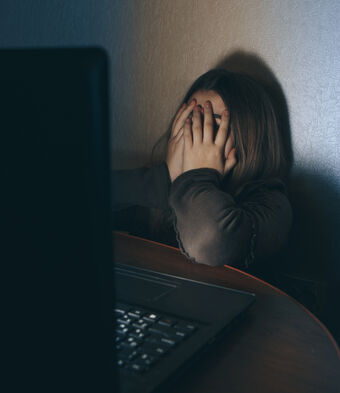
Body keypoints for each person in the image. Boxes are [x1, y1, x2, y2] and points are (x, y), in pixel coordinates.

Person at [112, 69, 292, 281]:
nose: (194, 135)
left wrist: (198, 177)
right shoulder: (162, 187)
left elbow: (209, 243)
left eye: (210, 124)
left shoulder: (271, 204)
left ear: (248, 137)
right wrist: (164, 178)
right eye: (190, 121)